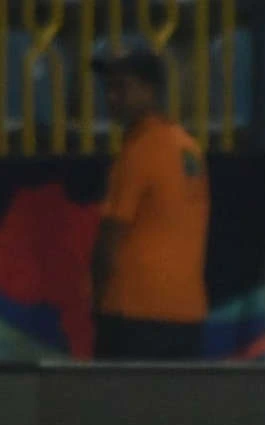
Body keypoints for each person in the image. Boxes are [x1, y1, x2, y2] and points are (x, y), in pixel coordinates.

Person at [91, 49, 210, 360]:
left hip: (133, 312)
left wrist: (97, 300)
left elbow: (110, 239)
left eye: (123, 87)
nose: (113, 97)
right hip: (186, 314)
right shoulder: (188, 147)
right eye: (109, 88)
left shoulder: (139, 150)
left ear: (150, 90)